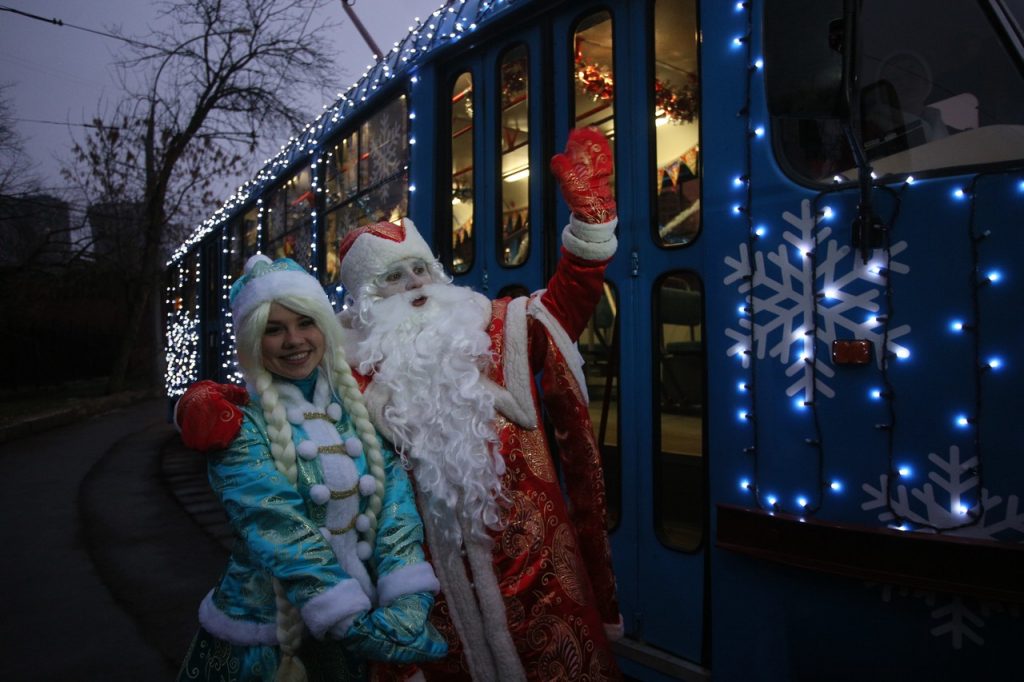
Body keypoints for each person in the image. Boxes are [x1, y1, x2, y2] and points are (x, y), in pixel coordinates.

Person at [179, 128, 624, 681]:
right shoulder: (352, 370)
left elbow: (571, 301)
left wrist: (591, 224)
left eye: (421, 269)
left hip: (536, 571)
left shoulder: (497, 327)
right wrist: (204, 399)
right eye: (393, 277)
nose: (415, 284)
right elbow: (281, 377)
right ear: (367, 301)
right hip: (425, 587)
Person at [176, 256, 446, 682]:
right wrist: (346, 617)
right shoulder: (239, 425)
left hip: (364, 621)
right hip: (268, 643)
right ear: (252, 341)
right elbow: (276, 526)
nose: (294, 340)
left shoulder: (355, 408)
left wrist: (407, 597)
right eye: (274, 329)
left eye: (305, 323)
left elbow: (396, 505)